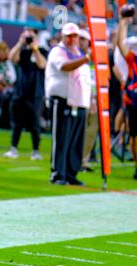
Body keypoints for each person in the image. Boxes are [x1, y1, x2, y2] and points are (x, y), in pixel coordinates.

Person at [45, 22, 91, 186]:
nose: (72, 39)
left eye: (75, 36)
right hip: (62, 100)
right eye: (69, 36)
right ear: (63, 36)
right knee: (61, 138)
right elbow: (64, 66)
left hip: (78, 102)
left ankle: (71, 172)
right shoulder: (58, 52)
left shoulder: (77, 53)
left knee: (75, 140)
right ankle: (57, 173)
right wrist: (85, 59)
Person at [5, 27, 47, 160]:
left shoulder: (43, 51)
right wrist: (20, 43)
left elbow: (42, 65)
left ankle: (36, 150)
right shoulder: (22, 51)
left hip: (36, 92)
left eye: (31, 36)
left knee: (35, 123)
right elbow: (11, 58)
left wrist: (35, 48)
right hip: (20, 91)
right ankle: (13, 148)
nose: (29, 38)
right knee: (17, 122)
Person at [117, 14, 137, 180]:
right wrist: (122, 24)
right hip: (134, 101)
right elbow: (121, 44)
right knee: (134, 136)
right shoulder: (133, 59)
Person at [79, 29, 98, 172]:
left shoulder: (94, 57)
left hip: (96, 98)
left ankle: (83, 161)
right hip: (81, 97)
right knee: (79, 130)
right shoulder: (74, 55)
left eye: (83, 39)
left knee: (91, 132)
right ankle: (76, 160)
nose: (80, 42)